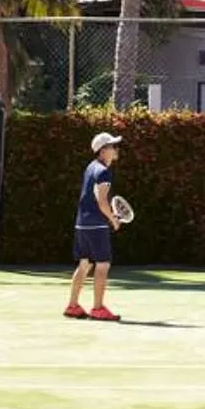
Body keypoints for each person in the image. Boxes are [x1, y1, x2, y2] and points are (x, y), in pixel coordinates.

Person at [66, 131, 123, 321]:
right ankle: (98, 309)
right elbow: (102, 201)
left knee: (84, 264)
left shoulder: (91, 167)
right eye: (113, 146)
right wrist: (113, 219)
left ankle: (72, 306)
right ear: (102, 150)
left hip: (82, 224)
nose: (116, 149)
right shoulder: (103, 172)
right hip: (96, 226)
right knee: (102, 265)